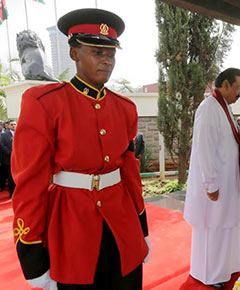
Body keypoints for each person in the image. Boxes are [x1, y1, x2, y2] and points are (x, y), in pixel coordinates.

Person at [11, 8, 150, 290]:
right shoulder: (45, 102)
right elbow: (30, 181)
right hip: (70, 225)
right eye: (97, 52)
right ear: (74, 53)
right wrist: (32, 254)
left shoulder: (125, 108)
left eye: (111, 54)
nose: (107, 61)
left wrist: (141, 227)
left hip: (122, 224)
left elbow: (130, 172)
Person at [184, 68, 240, 289]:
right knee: (214, 226)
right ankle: (210, 274)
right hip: (216, 182)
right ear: (226, 85)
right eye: (237, 87)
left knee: (226, 224)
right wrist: (210, 183)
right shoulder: (209, 108)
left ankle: (226, 268)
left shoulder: (225, 107)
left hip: (228, 180)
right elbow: (205, 148)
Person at [0, 120, 16, 197]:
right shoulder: (4, 135)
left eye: (14, 124)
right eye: (11, 124)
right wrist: (10, 153)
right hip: (8, 159)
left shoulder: (19, 133)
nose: (13, 126)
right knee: (10, 177)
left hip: (18, 159)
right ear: (8, 126)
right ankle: (11, 192)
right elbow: (2, 145)